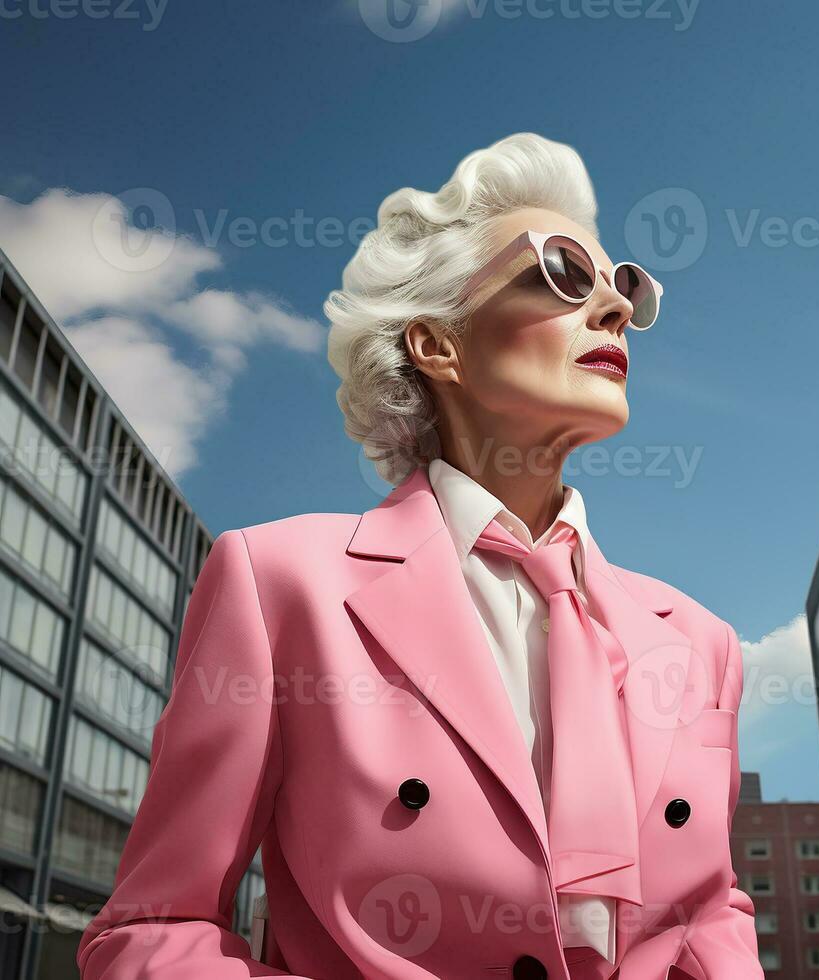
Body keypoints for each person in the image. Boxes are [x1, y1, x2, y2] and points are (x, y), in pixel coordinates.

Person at [77, 132, 762, 979]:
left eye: (625, 286)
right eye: (563, 274)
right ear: (439, 345)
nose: (616, 308)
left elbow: (710, 916)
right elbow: (155, 926)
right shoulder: (282, 584)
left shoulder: (702, 645)